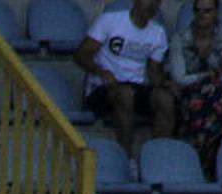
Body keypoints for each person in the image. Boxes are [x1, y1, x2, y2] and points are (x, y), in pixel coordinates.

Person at [75, 0, 175, 159]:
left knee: (165, 99)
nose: (152, 5)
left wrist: (165, 84)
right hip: (103, 87)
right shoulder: (110, 20)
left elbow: (154, 72)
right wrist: (100, 70)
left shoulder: (158, 33)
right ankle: (126, 159)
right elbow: (82, 54)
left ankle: (159, 160)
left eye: (157, 1)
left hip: (136, 87)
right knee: (125, 94)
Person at [168, 0, 222, 178]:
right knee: (209, 89)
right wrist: (205, 77)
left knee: (215, 89)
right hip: (189, 94)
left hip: (217, 94)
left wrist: (212, 80)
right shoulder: (180, 38)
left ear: (216, 12)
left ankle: (210, 143)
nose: (202, 14)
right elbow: (179, 77)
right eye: (198, 10)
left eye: (207, 10)